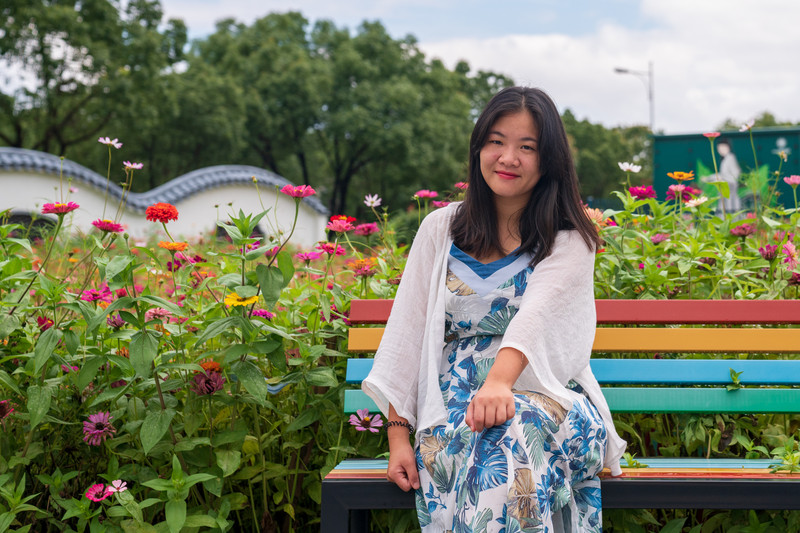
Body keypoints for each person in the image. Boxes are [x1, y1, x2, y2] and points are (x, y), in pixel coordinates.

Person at [362, 86, 626, 532]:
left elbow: (534, 317)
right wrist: (397, 436)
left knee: (513, 425)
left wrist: (499, 385)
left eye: (528, 147)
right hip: (451, 415)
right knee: (497, 444)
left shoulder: (568, 239)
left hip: (550, 408)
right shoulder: (440, 229)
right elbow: (406, 332)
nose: (509, 157)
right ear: (479, 147)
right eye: (497, 141)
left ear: (549, 161)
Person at [703, 139, 742, 213]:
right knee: (724, 206)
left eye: (723, 148)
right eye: (719, 148)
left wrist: (721, 179)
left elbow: (735, 174)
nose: (721, 150)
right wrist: (710, 178)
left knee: (729, 207)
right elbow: (722, 174)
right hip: (725, 188)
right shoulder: (725, 159)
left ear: (729, 147)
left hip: (730, 187)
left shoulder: (730, 158)